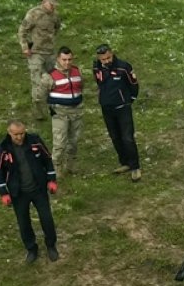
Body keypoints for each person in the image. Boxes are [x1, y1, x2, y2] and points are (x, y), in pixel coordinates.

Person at [0, 120, 60, 264]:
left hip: (38, 189)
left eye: (22, 133)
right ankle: (31, 249)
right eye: (16, 134)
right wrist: (3, 193)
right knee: (23, 223)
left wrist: (52, 180)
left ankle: (51, 245)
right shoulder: (3, 148)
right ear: (9, 133)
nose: (19, 137)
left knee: (47, 219)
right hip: (18, 193)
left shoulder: (35, 141)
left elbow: (47, 160)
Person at [92, 44, 142, 182]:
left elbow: (134, 84)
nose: (107, 61)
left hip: (123, 108)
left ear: (112, 54)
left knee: (127, 137)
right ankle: (125, 162)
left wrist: (129, 100)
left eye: (108, 57)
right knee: (115, 137)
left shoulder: (123, 67)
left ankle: (135, 167)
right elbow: (99, 83)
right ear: (99, 58)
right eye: (103, 59)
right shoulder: (96, 68)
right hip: (107, 108)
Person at [17, 0, 61, 121]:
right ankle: (38, 113)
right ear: (44, 1)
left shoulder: (55, 16)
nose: (52, 7)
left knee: (54, 82)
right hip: (36, 53)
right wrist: (25, 47)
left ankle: (54, 109)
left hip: (50, 53)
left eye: (54, 4)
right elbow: (22, 31)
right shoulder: (33, 14)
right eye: (50, 4)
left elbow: (57, 29)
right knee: (38, 83)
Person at [39, 46, 83, 176]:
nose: (67, 62)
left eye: (70, 59)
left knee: (74, 141)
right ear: (58, 59)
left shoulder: (77, 71)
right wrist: (50, 109)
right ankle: (56, 169)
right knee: (60, 143)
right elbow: (41, 95)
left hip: (76, 112)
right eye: (64, 60)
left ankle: (71, 165)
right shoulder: (50, 76)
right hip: (60, 113)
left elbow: (81, 87)